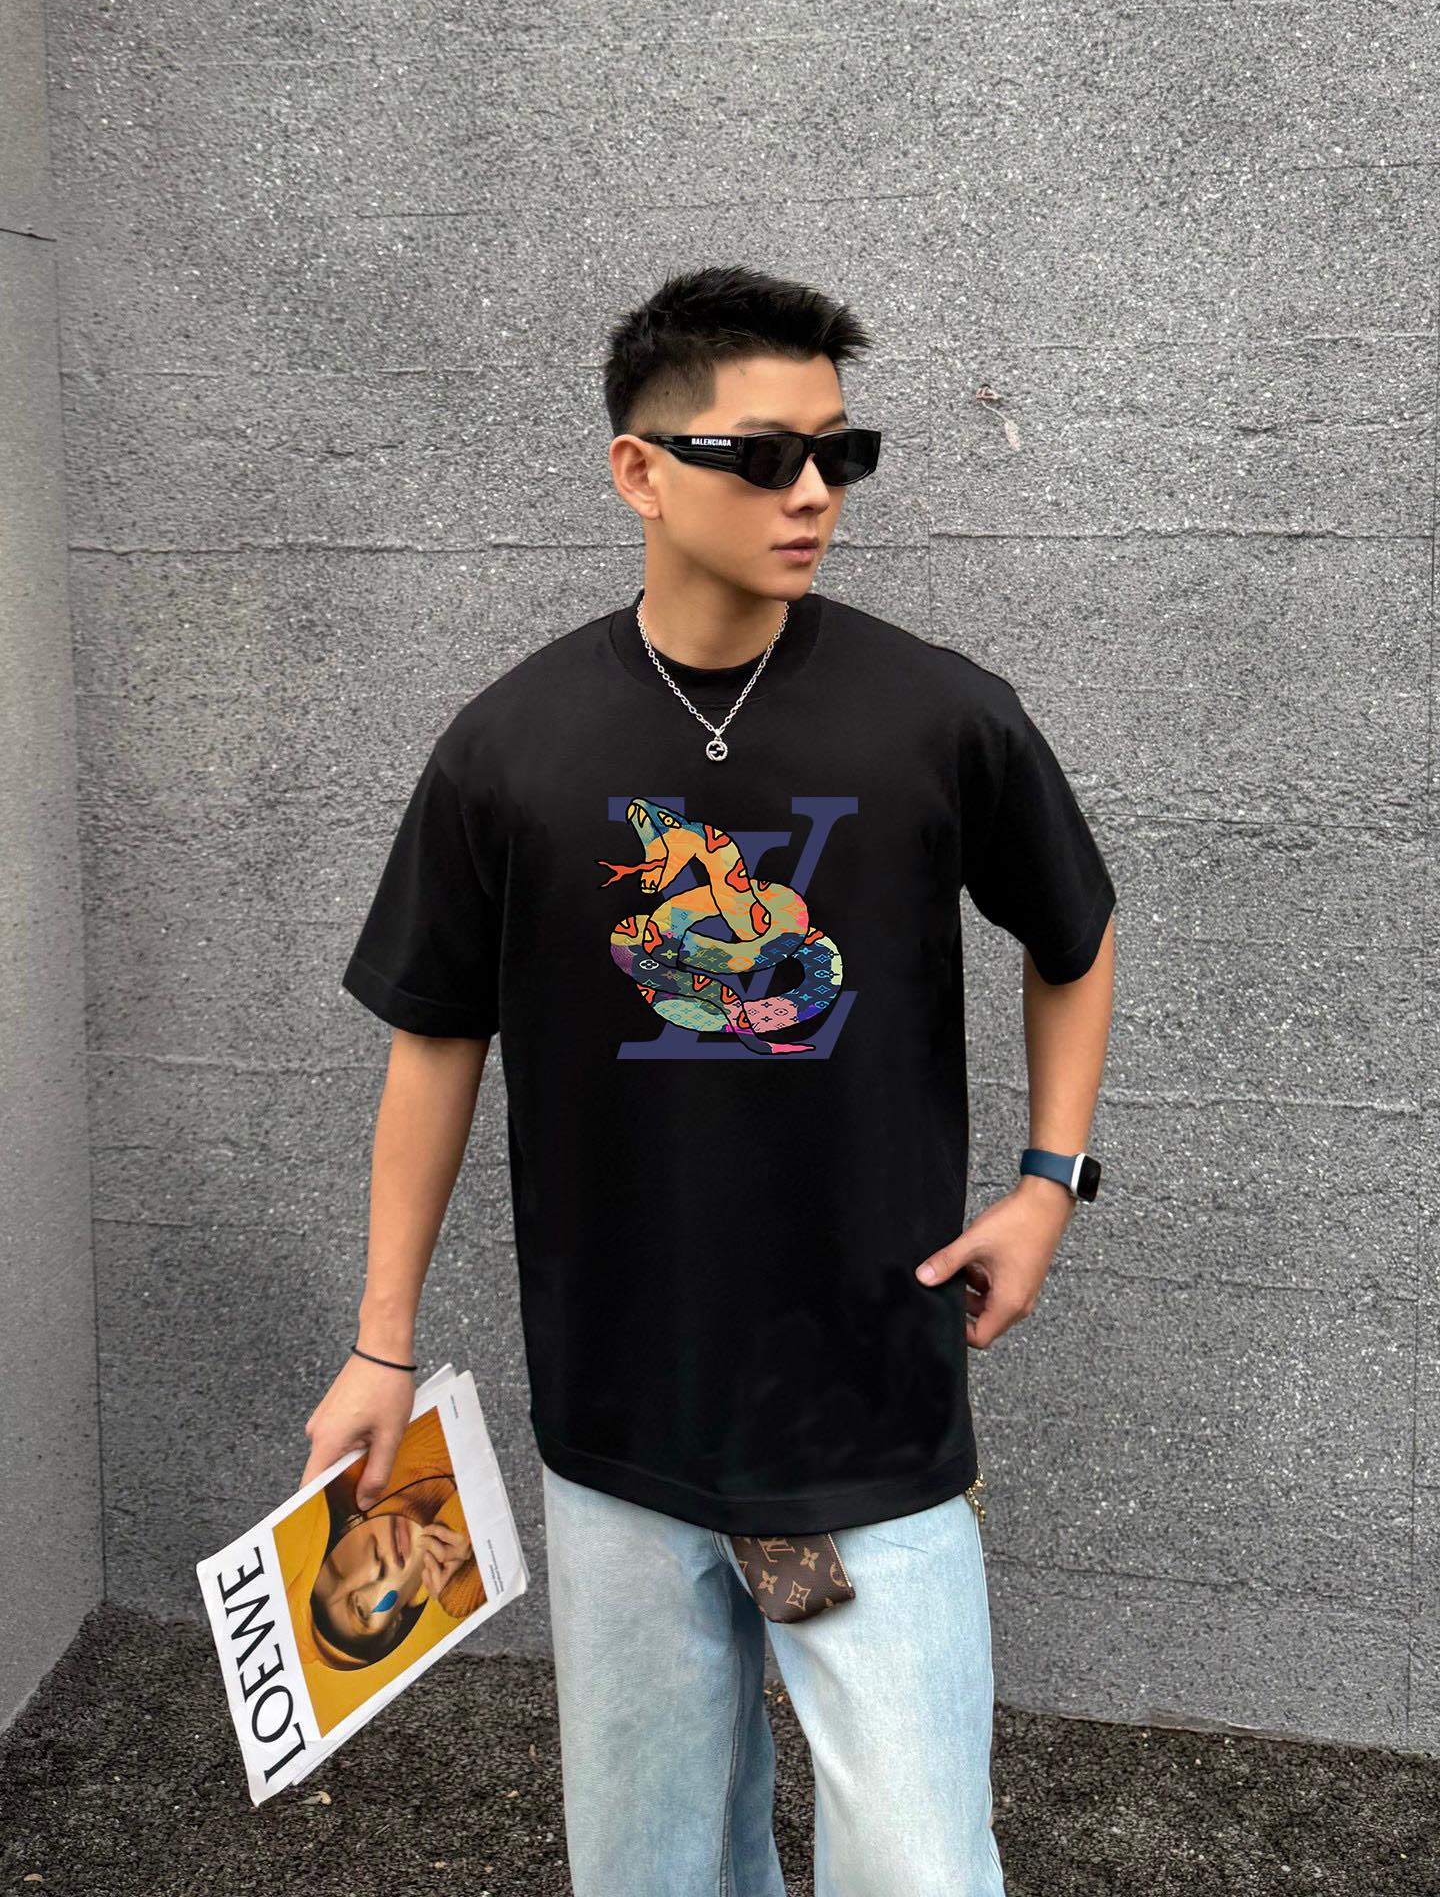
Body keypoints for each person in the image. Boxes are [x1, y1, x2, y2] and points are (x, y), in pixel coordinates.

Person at [301, 264, 1117, 1896]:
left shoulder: (941, 717)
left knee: (925, 1868)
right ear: (641, 470)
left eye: (840, 453)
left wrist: (1051, 1181)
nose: (812, 493)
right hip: (621, 1417)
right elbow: (436, 1037)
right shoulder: (509, 748)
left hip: (871, 1403)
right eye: (762, 455)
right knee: (650, 1869)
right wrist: (380, 1343)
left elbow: (1074, 933)